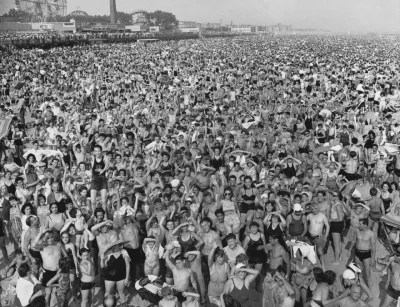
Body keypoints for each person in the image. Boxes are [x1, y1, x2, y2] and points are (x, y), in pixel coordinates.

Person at [32, 228, 67, 306]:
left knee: (60, 293)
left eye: (52, 237)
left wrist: (63, 269)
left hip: (59, 272)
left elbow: (65, 256)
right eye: (48, 238)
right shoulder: (42, 246)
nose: (50, 239)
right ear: (44, 238)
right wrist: (40, 233)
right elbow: (33, 246)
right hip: (47, 272)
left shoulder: (58, 244)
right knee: (47, 294)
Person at [348, 218, 376, 283]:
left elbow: (373, 246)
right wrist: (349, 250)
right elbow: (354, 241)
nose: (358, 225)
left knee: (367, 271)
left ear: (365, 225)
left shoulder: (371, 233)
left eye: (360, 224)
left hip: (366, 254)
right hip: (357, 253)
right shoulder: (357, 231)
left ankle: (368, 286)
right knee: (358, 270)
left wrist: (373, 258)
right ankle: (360, 284)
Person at [307, 203, 330, 270]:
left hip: (319, 237)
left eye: (315, 208)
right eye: (312, 209)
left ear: (318, 208)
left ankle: (323, 266)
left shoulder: (322, 216)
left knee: (320, 252)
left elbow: (327, 226)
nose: (314, 210)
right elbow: (303, 221)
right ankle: (315, 265)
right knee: (311, 252)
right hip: (310, 237)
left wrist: (326, 236)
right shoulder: (309, 216)